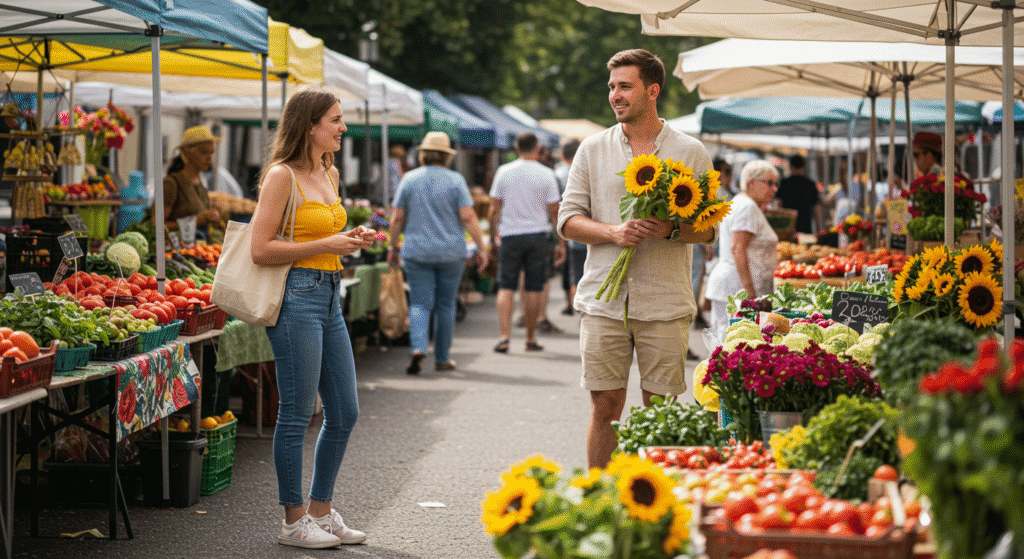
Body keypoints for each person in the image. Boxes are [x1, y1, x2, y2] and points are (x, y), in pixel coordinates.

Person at [558, 49, 717, 469]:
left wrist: (671, 229)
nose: (615, 95)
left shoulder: (690, 151)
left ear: (652, 91)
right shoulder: (592, 149)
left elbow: (709, 229)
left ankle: (654, 504)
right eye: (611, 87)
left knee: (660, 410)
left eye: (624, 86)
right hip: (603, 301)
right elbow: (568, 220)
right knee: (605, 406)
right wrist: (612, 232)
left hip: (665, 302)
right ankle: (600, 499)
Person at [249, 85, 375, 549]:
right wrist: (326, 244)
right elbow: (261, 249)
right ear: (309, 125)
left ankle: (321, 510)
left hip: (329, 295)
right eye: (336, 120)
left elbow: (322, 229)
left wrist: (349, 236)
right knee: (298, 413)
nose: (343, 128)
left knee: (344, 411)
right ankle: (292, 521)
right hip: (297, 297)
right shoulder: (281, 176)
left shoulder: (329, 171)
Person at [387, 132, 489, 374]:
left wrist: (392, 247)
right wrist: (482, 248)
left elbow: (397, 218)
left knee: (420, 303)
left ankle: (418, 348)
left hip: (416, 251)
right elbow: (468, 217)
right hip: (450, 253)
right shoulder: (456, 181)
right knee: (445, 305)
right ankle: (442, 358)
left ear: (423, 154)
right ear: (446, 156)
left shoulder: (409, 179)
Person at [490, 132, 564, 354]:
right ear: (538, 148)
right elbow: (554, 211)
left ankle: (504, 337)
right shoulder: (546, 174)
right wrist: (561, 241)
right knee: (534, 286)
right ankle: (530, 339)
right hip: (537, 235)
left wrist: (493, 235)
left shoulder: (504, 171)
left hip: (510, 235)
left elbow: (495, 208)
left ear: (515, 148)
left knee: (506, 286)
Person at [706, 160, 780, 337]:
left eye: (775, 184)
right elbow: (737, 248)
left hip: (736, 287)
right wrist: (751, 293)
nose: (774, 189)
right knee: (729, 342)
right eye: (769, 183)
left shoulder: (744, 204)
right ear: (751, 183)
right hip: (736, 288)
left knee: (729, 341)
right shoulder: (746, 207)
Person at [156, 125, 224, 242]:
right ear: (187, 153)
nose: (209, 158)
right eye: (203, 152)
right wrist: (193, 222)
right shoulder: (171, 183)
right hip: (174, 251)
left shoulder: (200, 183)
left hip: (195, 251)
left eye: (211, 152)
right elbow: (156, 225)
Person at [556, 138, 585, 316]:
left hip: (571, 232)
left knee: (576, 276)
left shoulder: (559, 174)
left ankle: (578, 309)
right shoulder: (589, 170)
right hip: (595, 230)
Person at [777, 154, 822, 235]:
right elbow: (816, 208)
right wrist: (819, 229)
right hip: (805, 225)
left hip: (787, 224)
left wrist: (778, 225)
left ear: (790, 166)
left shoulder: (784, 183)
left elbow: (779, 205)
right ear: (803, 167)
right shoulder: (810, 184)